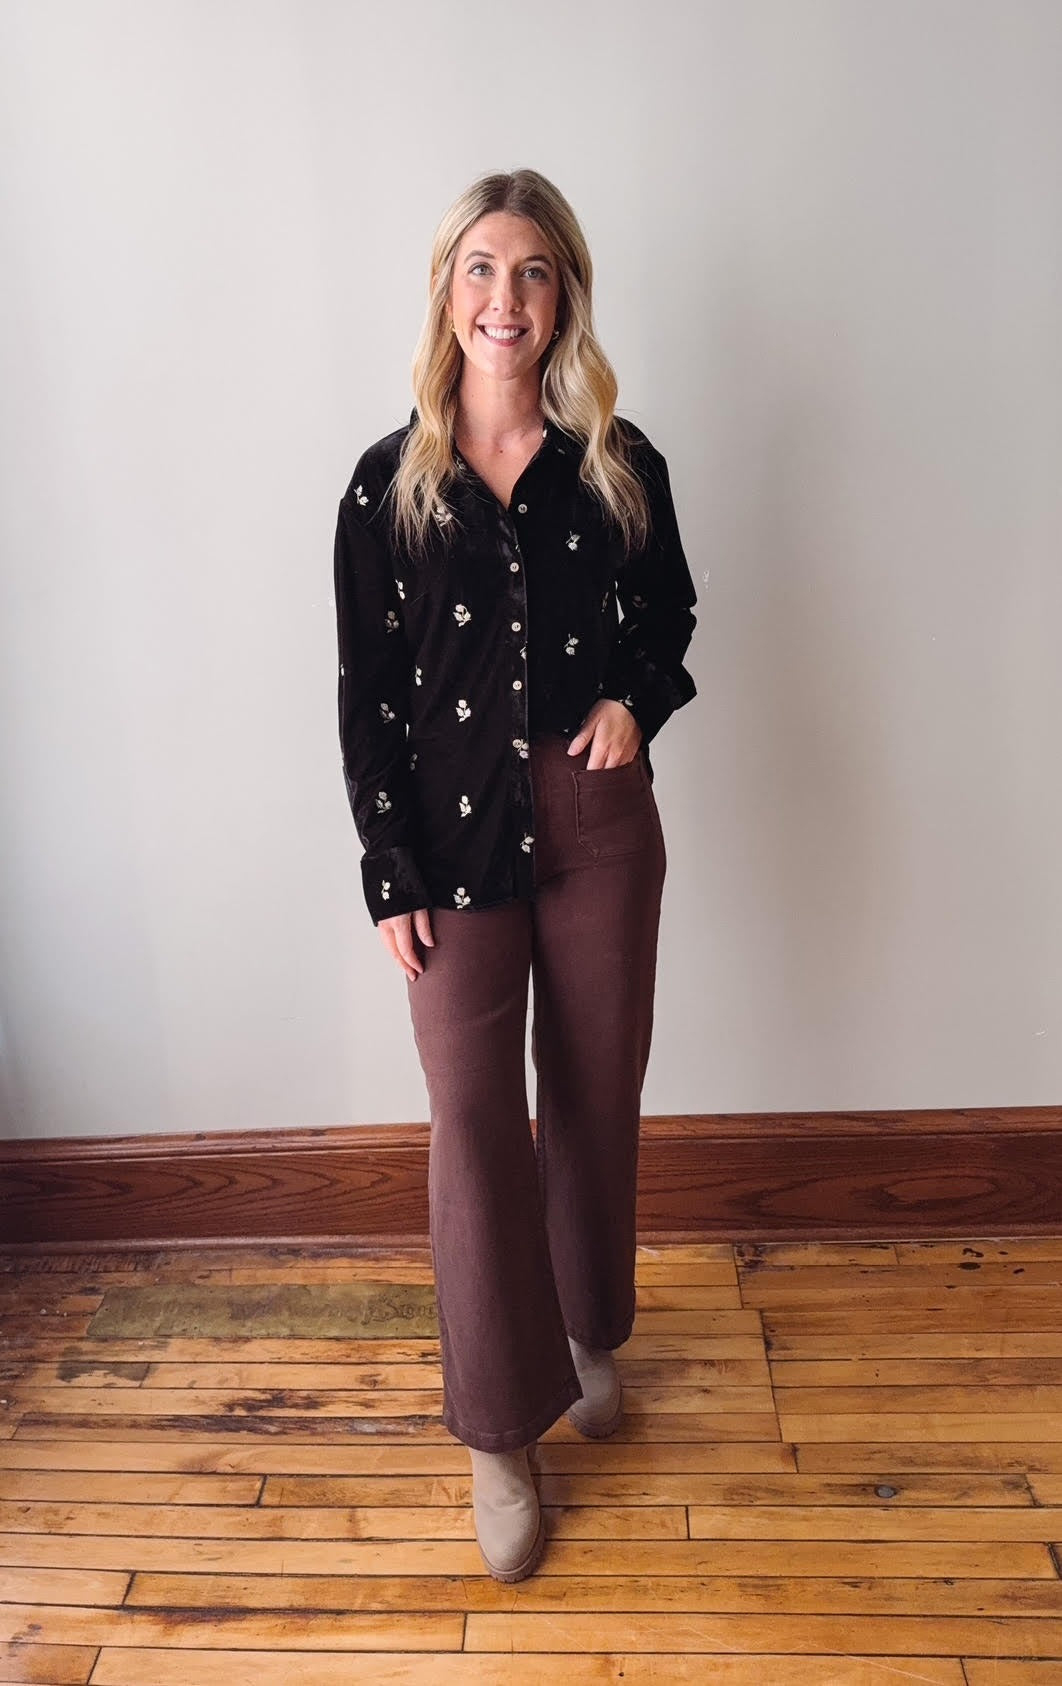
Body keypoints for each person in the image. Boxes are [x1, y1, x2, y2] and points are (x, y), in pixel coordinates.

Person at [332, 168, 698, 1582]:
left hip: (597, 824)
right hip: (449, 838)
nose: (506, 298)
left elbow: (667, 614)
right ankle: (498, 1425)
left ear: (565, 298)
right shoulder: (388, 485)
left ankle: (586, 1327)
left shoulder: (616, 461)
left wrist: (634, 702)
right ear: (446, 291)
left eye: (534, 272)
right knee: (471, 1123)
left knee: (596, 1092)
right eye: (481, 268)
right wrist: (386, 868)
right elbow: (366, 691)